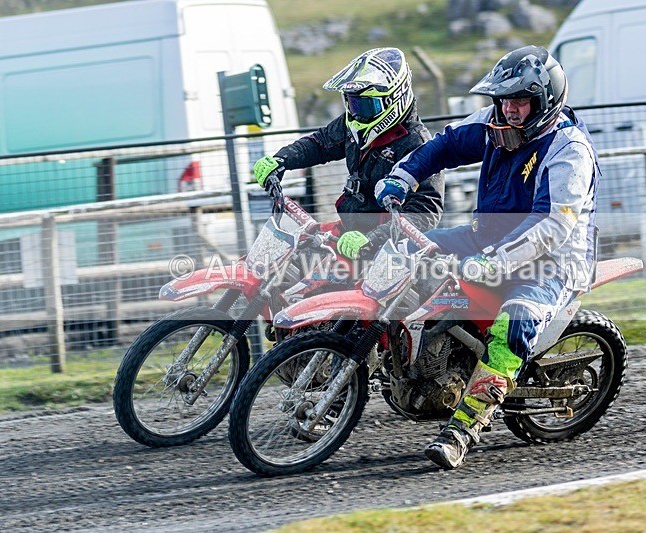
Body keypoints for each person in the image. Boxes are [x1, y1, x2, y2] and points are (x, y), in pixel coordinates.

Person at [375, 45, 601, 469]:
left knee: (514, 320)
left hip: (551, 262)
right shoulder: (495, 122)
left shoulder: (569, 151)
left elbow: (552, 226)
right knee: (402, 249)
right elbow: (443, 146)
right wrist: (401, 178)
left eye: (521, 101)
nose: (511, 110)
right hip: (483, 239)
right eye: (505, 100)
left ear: (545, 101)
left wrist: (497, 261)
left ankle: (463, 430)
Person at [252, 47, 444, 260]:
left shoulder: (417, 143)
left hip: (386, 251)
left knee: (320, 289)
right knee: (289, 260)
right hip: (348, 231)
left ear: (394, 99)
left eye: (366, 105)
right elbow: (321, 143)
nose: (357, 113)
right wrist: (282, 159)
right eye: (352, 103)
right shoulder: (353, 124)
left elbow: (425, 211)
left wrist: (373, 239)